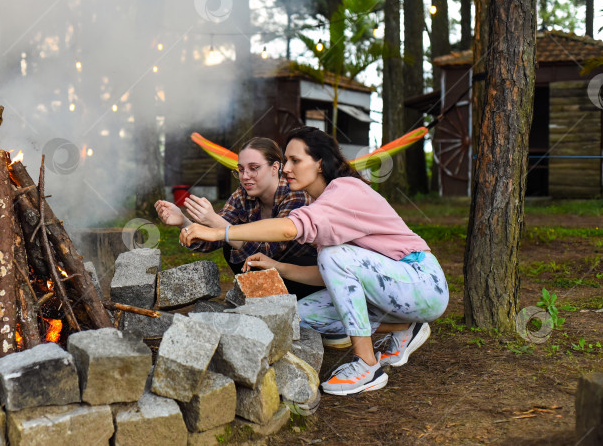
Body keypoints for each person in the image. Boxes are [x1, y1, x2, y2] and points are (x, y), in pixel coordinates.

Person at [180, 127, 449, 396]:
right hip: (392, 290)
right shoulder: (322, 199)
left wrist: (219, 230)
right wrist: (279, 267)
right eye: (286, 161)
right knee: (297, 317)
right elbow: (330, 275)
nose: (286, 169)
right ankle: (405, 327)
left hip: (423, 282)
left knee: (332, 255)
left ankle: (367, 365)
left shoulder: (344, 191)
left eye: (295, 161)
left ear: (319, 162)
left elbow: (289, 230)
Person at [155, 136, 321, 301]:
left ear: (274, 167)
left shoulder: (296, 194)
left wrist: (214, 221)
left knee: (232, 239)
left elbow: (269, 250)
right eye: (241, 170)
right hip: (272, 278)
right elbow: (212, 239)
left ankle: (277, 303)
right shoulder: (243, 194)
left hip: (306, 278)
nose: (245, 176)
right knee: (229, 245)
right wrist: (183, 222)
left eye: (254, 168)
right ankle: (262, 302)